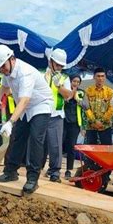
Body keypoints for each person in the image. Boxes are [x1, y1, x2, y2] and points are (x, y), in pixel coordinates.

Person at [0, 44, 53, 194]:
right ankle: (11, 171)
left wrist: (10, 122)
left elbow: (24, 100)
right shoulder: (7, 72)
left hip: (41, 105)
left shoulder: (25, 73)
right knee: (18, 138)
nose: (2, 70)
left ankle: (32, 178)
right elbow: (5, 87)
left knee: (35, 139)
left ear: (12, 59)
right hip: (25, 107)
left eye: (3, 66)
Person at [42, 49, 72, 183]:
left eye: (61, 65)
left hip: (56, 115)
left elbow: (68, 95)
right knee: (38, 143)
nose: (59, 67)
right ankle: (35, 168)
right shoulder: (40, 74)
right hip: (41, 113)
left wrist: (58, 85)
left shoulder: (64, 78)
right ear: (50, 61)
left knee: (55, 145)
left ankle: (55, 171)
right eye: (57, 64)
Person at [83, 67, 113, 146]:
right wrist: (94, 121)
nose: (100, 78)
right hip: (91, 126)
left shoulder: (110, 91)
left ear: (105, 77)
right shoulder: (87, 91)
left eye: (102, 76)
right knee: (91, 151)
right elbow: (86, 108)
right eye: (98, 76)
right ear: (94, 77)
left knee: (106, 150)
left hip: (105, 126)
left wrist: (102, 121)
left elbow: (112, 108)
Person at [62, 75, 85, 179]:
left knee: (71, 146)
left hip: (75, 123)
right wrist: (70, 94)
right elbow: (65, 99)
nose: (75, 83)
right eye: (74, 81)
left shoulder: (80, 92)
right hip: (63, 120)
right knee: (59, 144)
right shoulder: (64, 91)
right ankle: (53, 168)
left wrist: (74, 96)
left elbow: (82, 104)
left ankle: (68, 170)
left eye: (78, 82)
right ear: (70, 82)